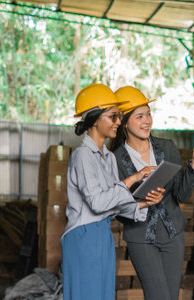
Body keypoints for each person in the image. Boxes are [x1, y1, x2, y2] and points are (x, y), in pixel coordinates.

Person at [61, 83, 165, 300]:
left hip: (102, 234)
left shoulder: (107, 157)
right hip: (83, 235)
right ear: (94, 119)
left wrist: (144, 203)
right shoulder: (82, 156)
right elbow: (98, 203)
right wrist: (134, 178)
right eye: (113, 117)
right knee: (85, 295)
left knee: (103, 295)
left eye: (119, 117)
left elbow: (112, 203)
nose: (119, 122)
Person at [110, 86, 194, 300]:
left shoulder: (167, 148)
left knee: (170, 297)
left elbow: (181, 195)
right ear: (124, 121)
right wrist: (143, 202)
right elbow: (116, 209)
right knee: (158, 297)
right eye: (139, 116)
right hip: (141, 237)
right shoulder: (115, 159)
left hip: (172, 234)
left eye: (148, 113)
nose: (147, 120)